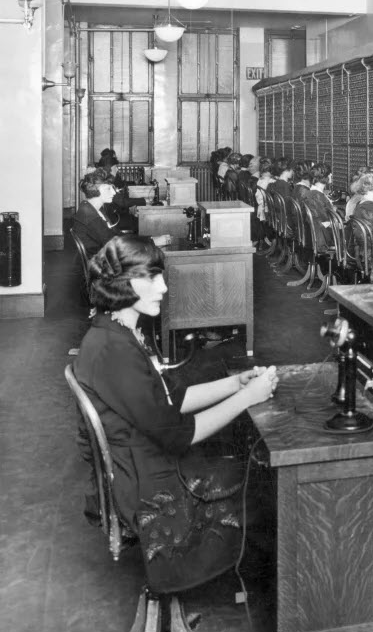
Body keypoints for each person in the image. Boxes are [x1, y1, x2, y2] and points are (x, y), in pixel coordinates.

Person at [73, 235, 279, 593]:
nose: (164, 287)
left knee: (254, 470)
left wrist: (234, 385)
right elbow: (178, 434)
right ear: (123, 283)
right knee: (271, 487)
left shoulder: (115, 331)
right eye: (152, 277)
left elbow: (168, 398)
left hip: (140, 469)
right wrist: (248, 397)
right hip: (153, 493)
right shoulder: (112, 350)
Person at [71, 170, 121, 256]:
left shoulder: (90, 207)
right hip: (99, 263)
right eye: (108, 188)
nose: (114, 192)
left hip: (103, 255)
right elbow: (113, 243)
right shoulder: (90, 215)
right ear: (96, 190)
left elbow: (112, 235)